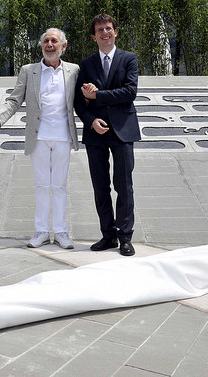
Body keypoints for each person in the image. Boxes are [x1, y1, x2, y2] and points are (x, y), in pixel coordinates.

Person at [0, 28, 80, 249]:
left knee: (59, 186)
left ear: (63, 46)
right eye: (46, 41)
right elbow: (14, 100)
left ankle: (60, 232)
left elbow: (83, 99)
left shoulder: (74, 70)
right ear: (41, 46)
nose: (50, 44)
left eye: (54, 41)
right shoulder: (29, 71)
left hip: (63, 136)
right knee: (41, 185)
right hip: (38, 137)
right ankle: (40, 231)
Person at [74, 14, 140, 256]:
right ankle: (108, 235)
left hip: (123, 130)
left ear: (115, 32)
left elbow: (129, 92)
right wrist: (91, 121)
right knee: (100, 186)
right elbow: (78, 103)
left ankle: (125, 237)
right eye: (100, 30)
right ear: (94, 36)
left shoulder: (129, 59)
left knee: (124, 185)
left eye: (108, 28)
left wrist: (97, 96)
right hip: (96, 133)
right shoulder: (86, 65)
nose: (105, 32)